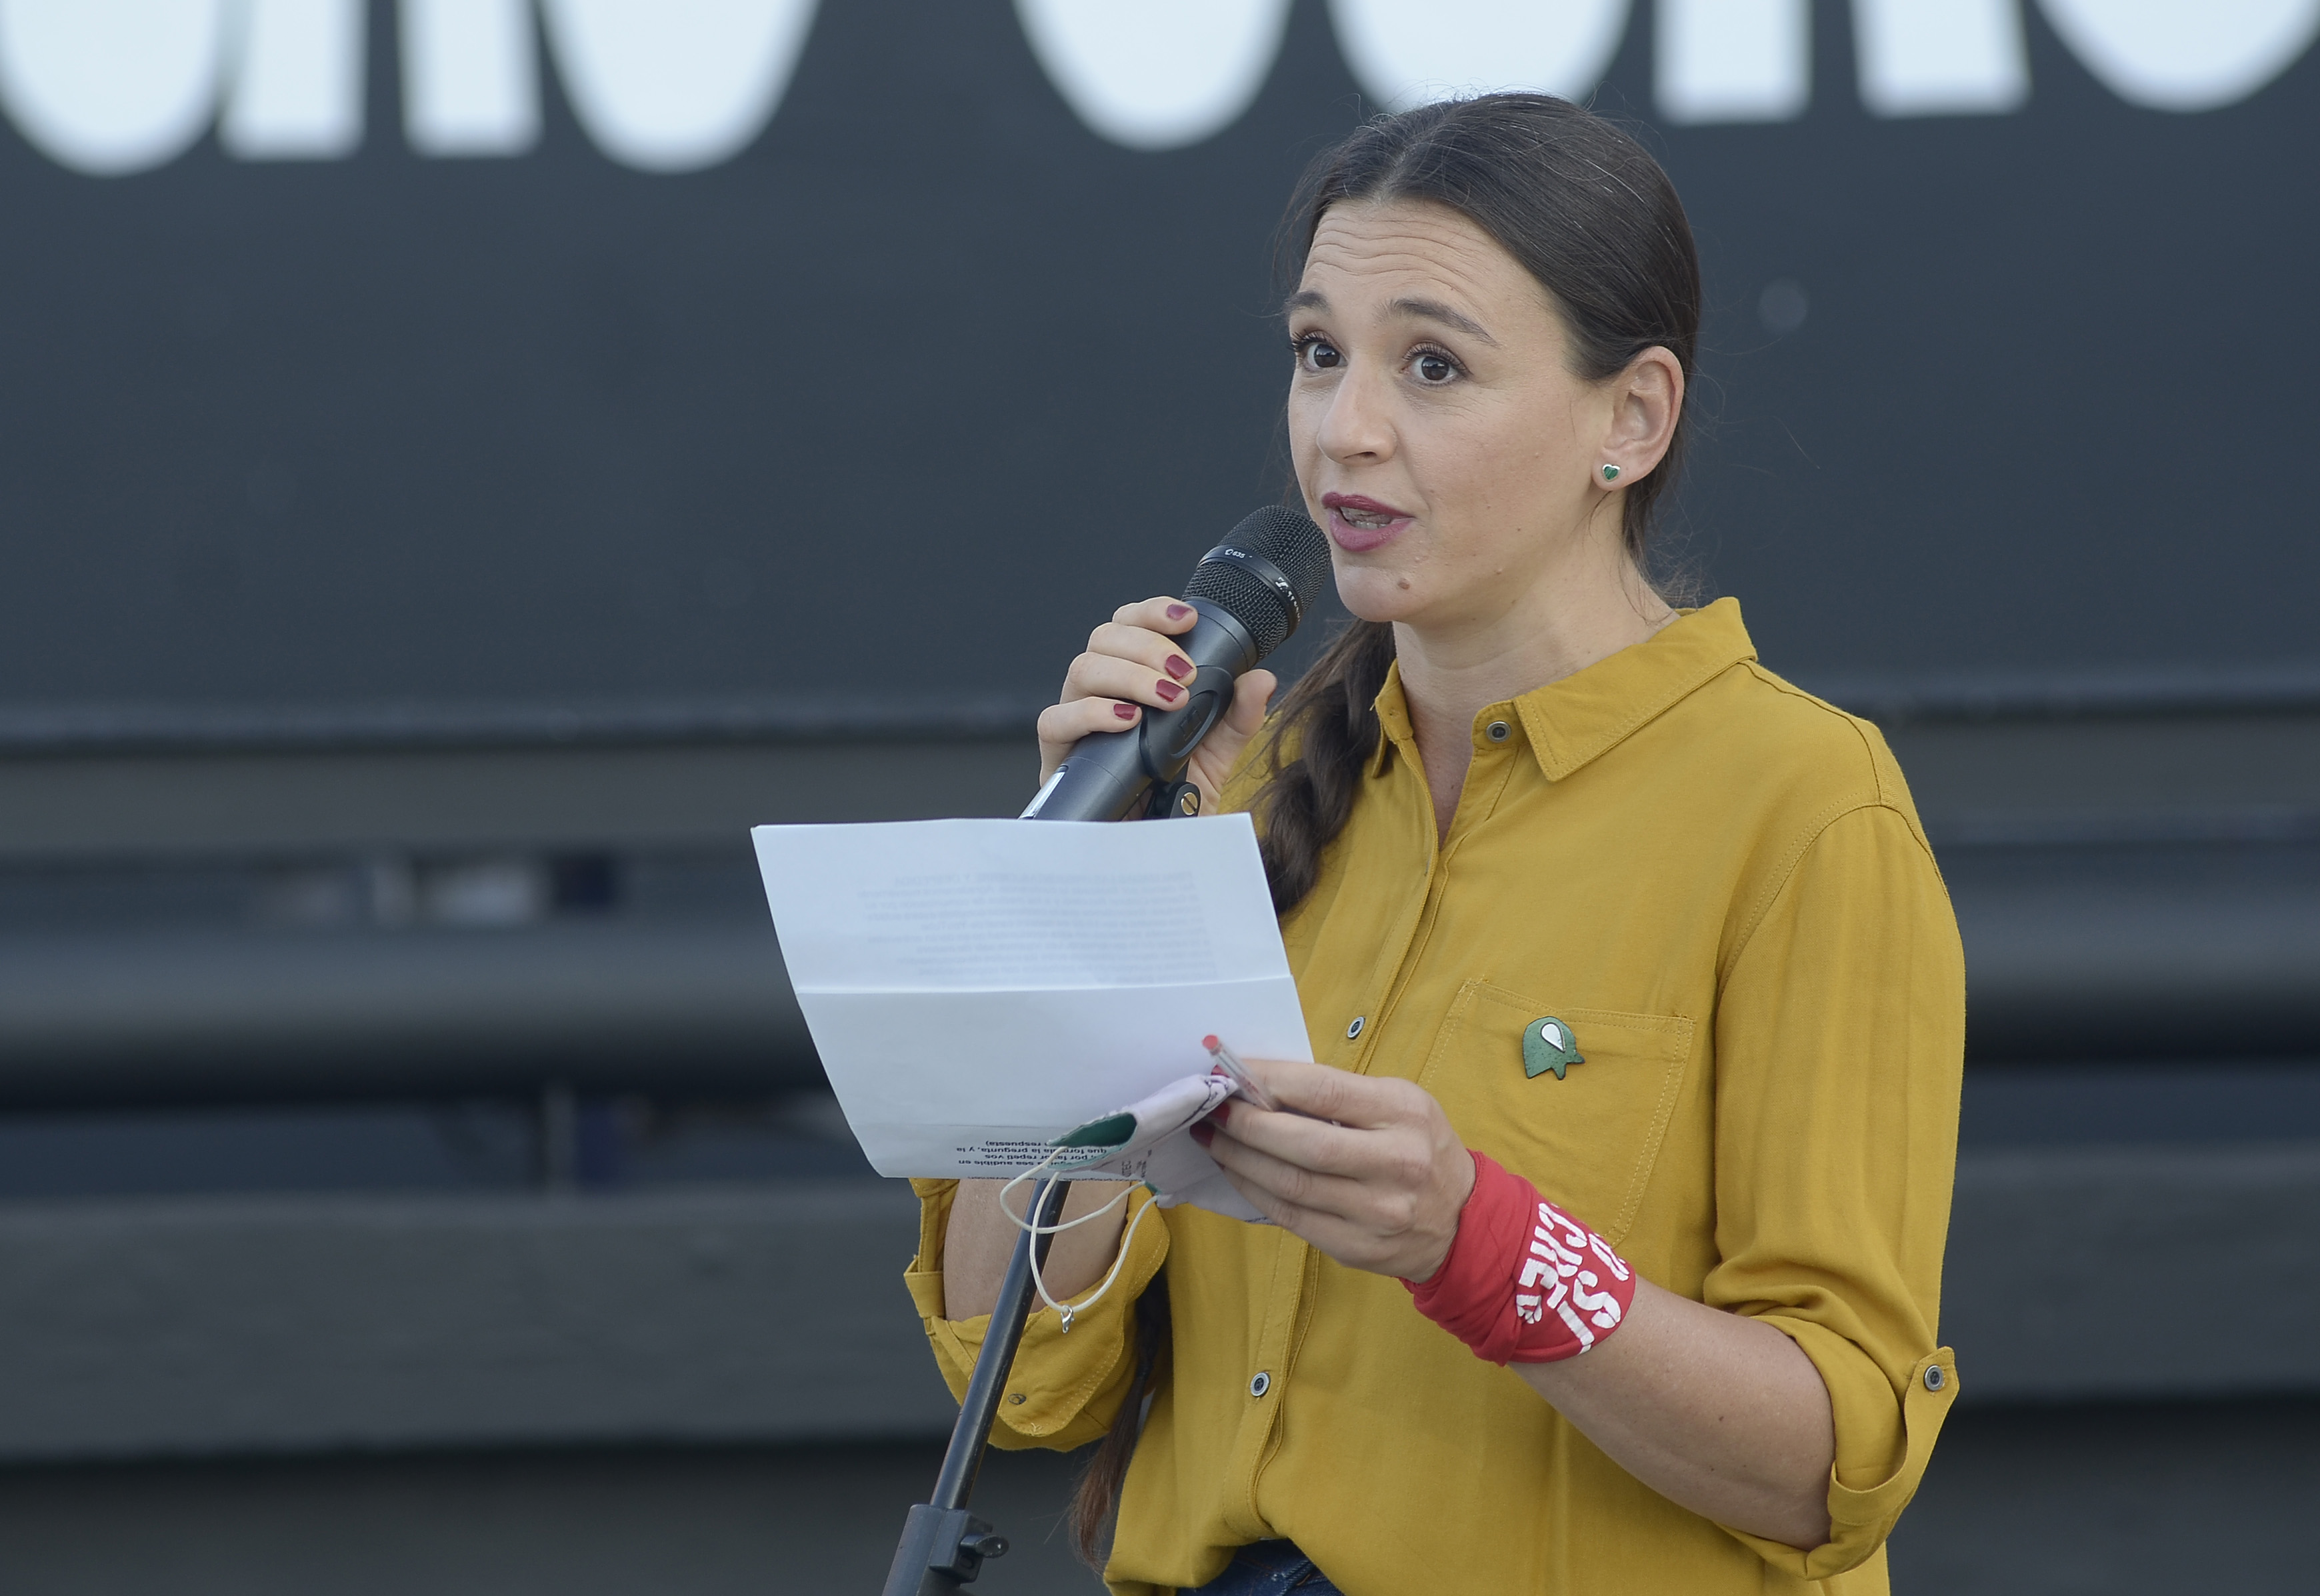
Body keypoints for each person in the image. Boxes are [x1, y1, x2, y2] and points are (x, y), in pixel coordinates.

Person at [903, 93, 1963, 1596]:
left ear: (1632, 418)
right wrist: (1102, 892)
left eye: (1436, 364)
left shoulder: (1802, 803)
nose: (1348, 428)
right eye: (1319, 351)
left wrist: (1477, 1242)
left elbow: (1828, 1465)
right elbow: (1022, 1386)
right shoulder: (1244, 780)